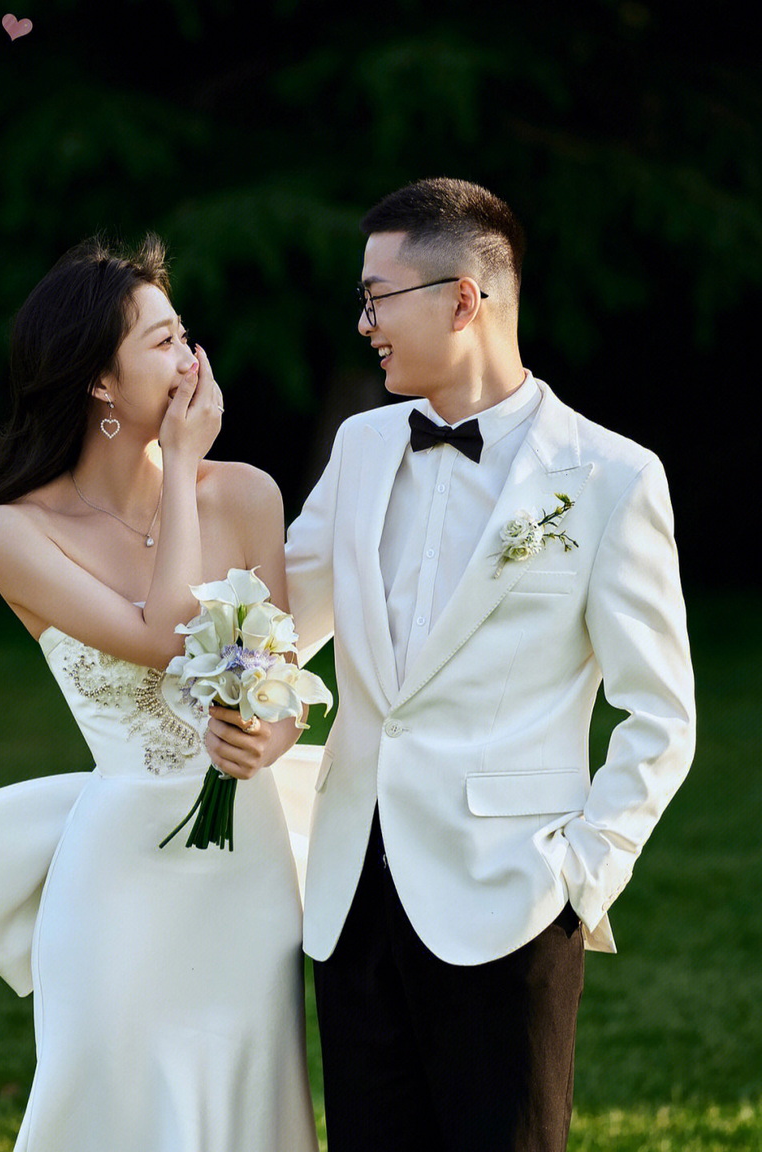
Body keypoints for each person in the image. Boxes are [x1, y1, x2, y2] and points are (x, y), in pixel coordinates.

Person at [285, 177, 696, 1152]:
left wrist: (580, 877)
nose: (364, 323)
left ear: (463, 299)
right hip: (352, 898)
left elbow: (661, 715)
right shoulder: (361, 445)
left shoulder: (610, 477)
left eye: (378, 298)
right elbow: (278, 623)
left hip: (512, 899)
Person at [0, 235, 318, 1152]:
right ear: (101, 383)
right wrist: (179, 466)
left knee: (247, 1098)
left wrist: (269, 737)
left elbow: (284, 680)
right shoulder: (13, 530)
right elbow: (161, 634)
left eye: (185, 335)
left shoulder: (249, 495)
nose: (191, 359)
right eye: (163, 341)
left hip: (249, 870)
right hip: (117, 886)